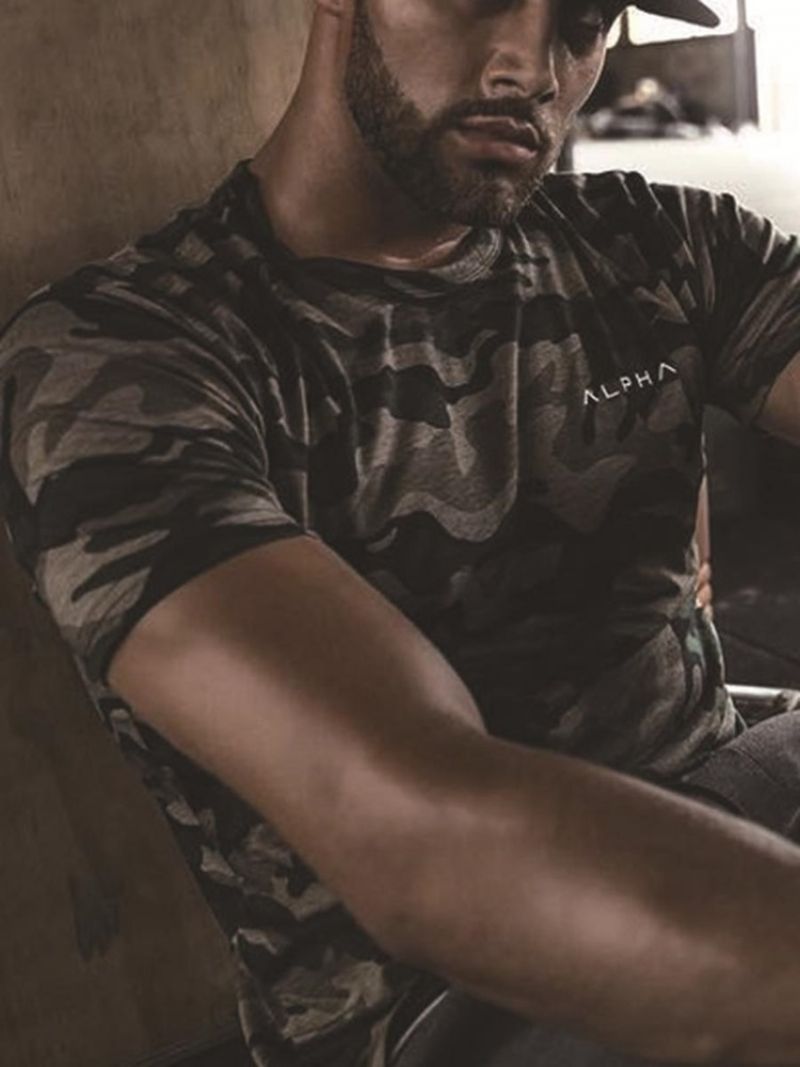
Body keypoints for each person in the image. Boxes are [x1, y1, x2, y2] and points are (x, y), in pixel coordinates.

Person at [1, 1, 800, 1065]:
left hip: (744, 804)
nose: (532, 68)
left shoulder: (658, 242)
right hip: (452, 1000)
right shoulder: (125, 356)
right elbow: (421, 836)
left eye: (582, 17)